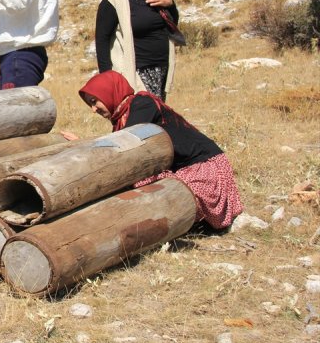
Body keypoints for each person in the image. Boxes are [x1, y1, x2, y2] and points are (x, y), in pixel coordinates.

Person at [76, 70, 243, 230]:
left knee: (140, 184)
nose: (94, 109)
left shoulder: (141, 104)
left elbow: (123, 147)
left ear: (108, 92)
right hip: (187, 167)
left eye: (94, 101)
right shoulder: (125, 114)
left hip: (204, 170)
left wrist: (84, 146)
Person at [95, 0, 181, 101]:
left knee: (154, 122)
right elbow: (102, 39)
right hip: (133, 74)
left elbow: (172, 26)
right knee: (138, 122)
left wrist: (170, 4)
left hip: (160, 71)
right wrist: (108, 78)